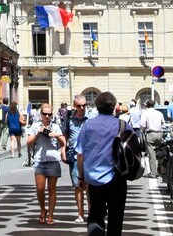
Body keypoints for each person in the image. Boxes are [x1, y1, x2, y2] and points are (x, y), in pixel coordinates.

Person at [76, 91, 132, 236]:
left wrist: (81, 177)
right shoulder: (123, 125)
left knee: (95, 214)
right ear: (114, 107)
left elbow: (80, 153)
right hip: (117, 177)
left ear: (96, 106)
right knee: (116, 216)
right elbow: (134, 146)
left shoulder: (88, 125)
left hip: (94, 178)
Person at [29, 103, 66, 225]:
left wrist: (56, 136)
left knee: (52, 189)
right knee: (40, 189)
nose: (47, 116)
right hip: (40, 160)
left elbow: (63, 143)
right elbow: (29, 142)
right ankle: (42, 210)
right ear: (40, 114)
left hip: (53, 161)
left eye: (49, 114)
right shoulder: (35, 126)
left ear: (52, 115)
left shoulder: (55, 127)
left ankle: (50, 215)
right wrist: (38, 133)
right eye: (44, 114)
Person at [63, 94, 89, 223]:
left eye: (84, 105)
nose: (82, 107)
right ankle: (80, 214)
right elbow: (65, 136)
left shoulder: (91, 119)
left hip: (89, 156)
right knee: (78, 186)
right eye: (79, 106)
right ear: (75, 106)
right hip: (73, 156)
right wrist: (63, 151)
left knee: (89, 185)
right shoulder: (69, 120)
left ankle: (92, 212)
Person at [140, 99, 166, 179]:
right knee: (160, 152)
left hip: (150, 133)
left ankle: (153, 173)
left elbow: (142, 125)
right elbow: (163, 124)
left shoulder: (145, 113)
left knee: (152, 154)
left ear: (146, 105)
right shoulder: (159, 113)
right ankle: (162, 170)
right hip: (160, 133)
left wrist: (143, 132)